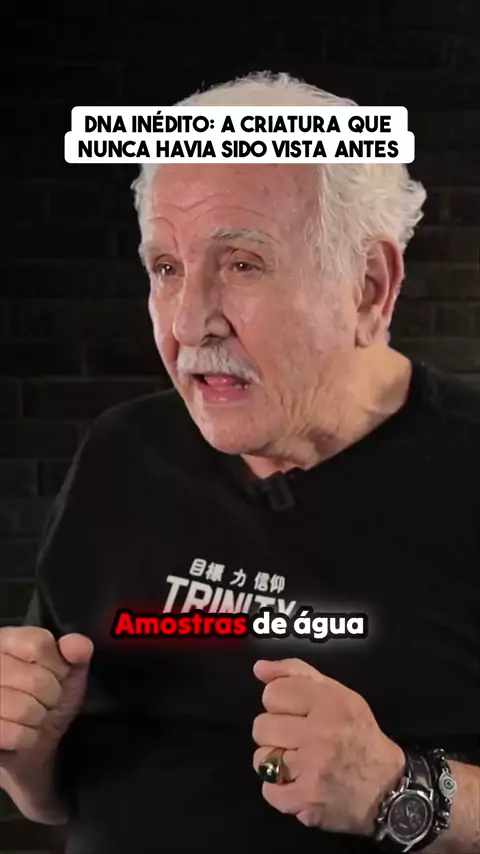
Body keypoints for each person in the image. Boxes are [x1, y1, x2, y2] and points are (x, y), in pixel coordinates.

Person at [0, 71, 479, 854]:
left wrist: (402, 790)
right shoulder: (123, 449)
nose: (191, 323)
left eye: (243, 264)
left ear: (368, 288)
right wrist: (28, 757)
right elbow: (58, 799)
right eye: (167, 268)